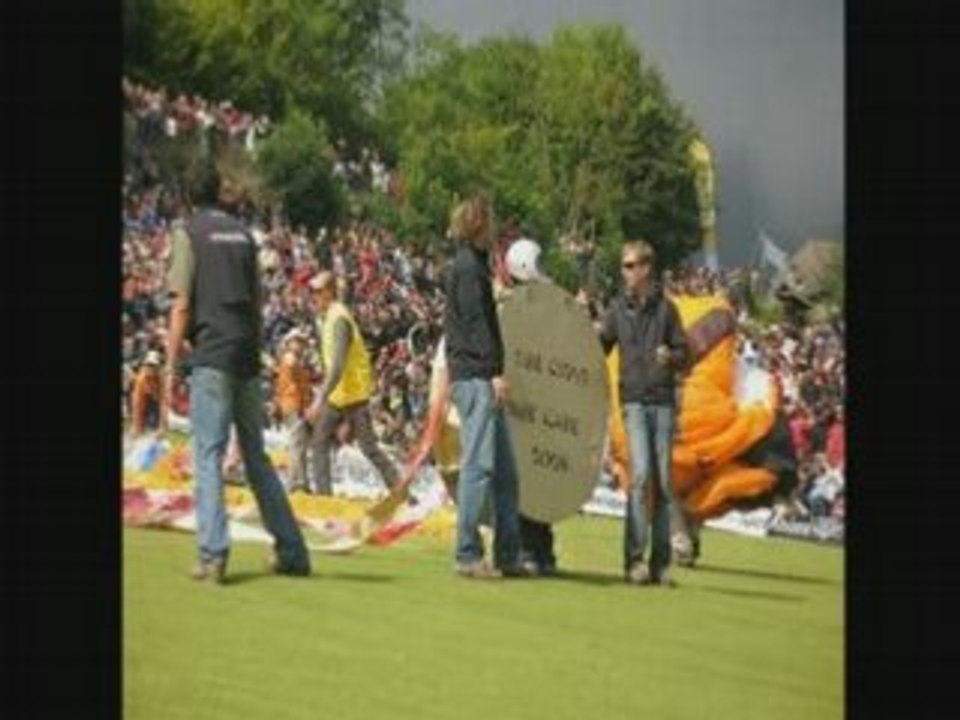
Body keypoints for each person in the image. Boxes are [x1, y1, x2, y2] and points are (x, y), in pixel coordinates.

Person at [161, 164, 310, 583]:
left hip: (212, 353)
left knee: (208, 454)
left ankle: (213, 554)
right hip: (246, 353)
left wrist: (171, 364)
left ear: (187, 197)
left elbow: (181, 304)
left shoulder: (188, 233)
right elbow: (258, 304)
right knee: (256, 456)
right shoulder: (244, 235)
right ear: (218, 192)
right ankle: (292, 551)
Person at [443, 195, 527, 579]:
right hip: (477, 376)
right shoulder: (468, 268)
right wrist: (494, 371)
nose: (494, 228)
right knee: (479, 467)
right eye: (489, 221)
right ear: (479, 225)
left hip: (476, 374)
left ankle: (507, 554)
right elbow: (479, 325)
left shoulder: (470, 264)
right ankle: (468, 553)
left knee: (505, 473)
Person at [599, 240, 690, 587]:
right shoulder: (616, 310)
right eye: (624, 265)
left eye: (629, 265)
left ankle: (660, 565)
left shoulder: (668, 310)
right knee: (640, 477)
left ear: (646, 268)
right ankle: (634, 561)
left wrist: (672, 357)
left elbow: (686, 353)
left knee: (663, 483)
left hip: (663, 402)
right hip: (633, 401)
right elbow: (599, 347)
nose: (625, 272)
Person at [304, 270, 401, 496]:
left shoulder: (339, 319)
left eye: (317, 291)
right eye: (312, 292)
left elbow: (337, 365)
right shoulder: (328, 317)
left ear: (330, 292)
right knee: (319, 442)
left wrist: (319, 399)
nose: (313, 296)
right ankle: (324, 496)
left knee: (369, 448)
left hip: (354, 393)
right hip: (340, 393)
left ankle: (401, 492)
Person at [274, 327, 314, 492]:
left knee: (299, 444)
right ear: (289, 343)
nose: (301, 345)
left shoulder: (294, 360)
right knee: (297, 445)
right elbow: (294, 385)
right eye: (298, 341)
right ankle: (294, 483)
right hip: (294, 404)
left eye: (302, 342)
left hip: (294, 404)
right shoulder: (290, 358)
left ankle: (301, 482)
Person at [131, 350, 163, 436]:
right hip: (145, 401)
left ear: (158, 367)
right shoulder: (140, 380)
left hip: (156, 402)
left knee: (154, 426)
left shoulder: (161, 378)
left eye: (153, 366)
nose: (150, 368)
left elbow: (163, 403)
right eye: (148, 365)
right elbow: (137, 404)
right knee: (142, 428)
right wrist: (136, 425)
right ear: (145, 365)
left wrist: (162, 426)